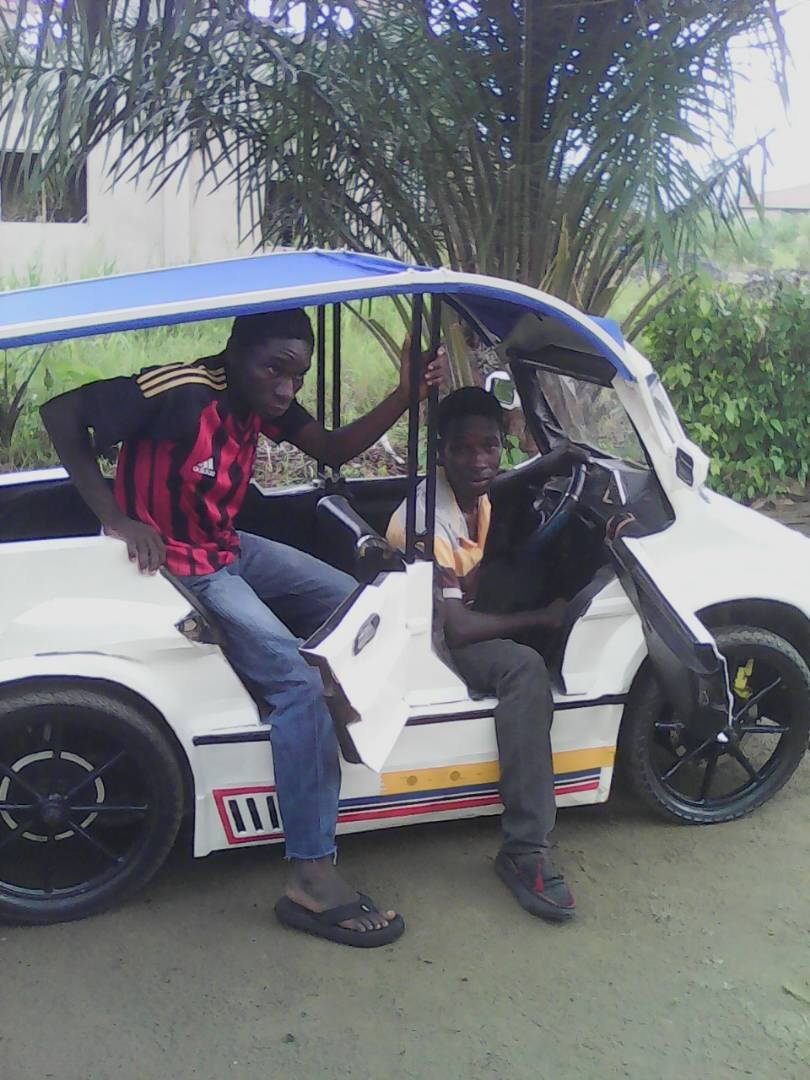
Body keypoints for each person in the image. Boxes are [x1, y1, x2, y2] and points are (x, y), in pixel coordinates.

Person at [40, 308, 442, 949]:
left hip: (225, 546)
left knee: (354, 607)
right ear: (235, 355)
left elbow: (333, 448)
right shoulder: (182, 391)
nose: (286, 387)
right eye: (275, 369)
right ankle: (310, 876)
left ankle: (309, 721)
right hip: (178, 562)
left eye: (297, 375)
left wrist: (404, 392)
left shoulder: (263, 401)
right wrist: (116, 519)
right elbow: (62, 413)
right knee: (295, 683)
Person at [386, 386, 588, 921]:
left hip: (455, 607)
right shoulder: (428, 521)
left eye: (491, 447)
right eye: (463, 449)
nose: (479, 461)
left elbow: (499, 483)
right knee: (523, 667)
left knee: (529, 572)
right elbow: (456, 629)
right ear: (441, 452)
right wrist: (542, 620)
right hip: (429, 642)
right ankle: (526, 849)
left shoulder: (473, 491)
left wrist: (553, 462)